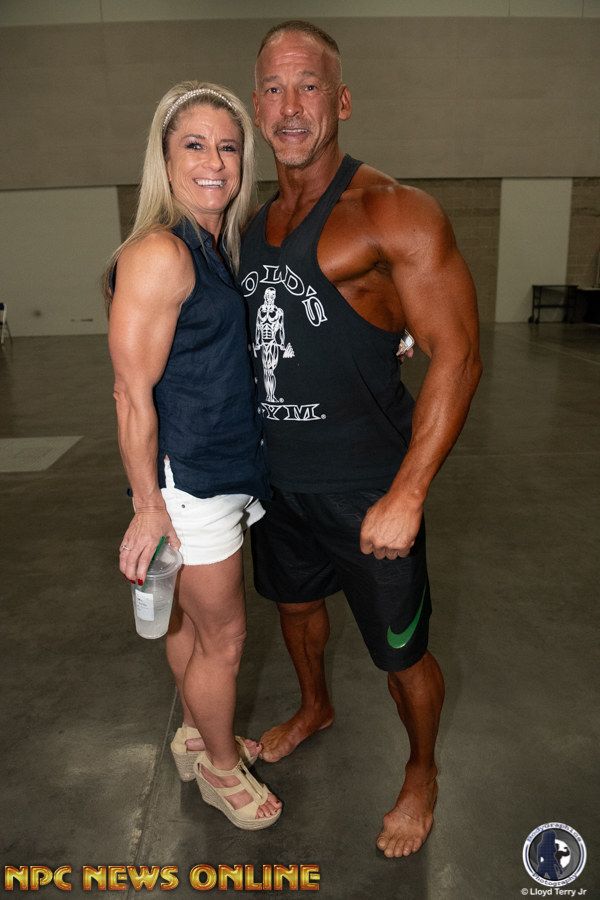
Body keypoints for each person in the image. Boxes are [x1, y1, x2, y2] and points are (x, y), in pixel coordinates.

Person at [240, 21, 482, 856]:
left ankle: (421, 770)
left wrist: (408, 493)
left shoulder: (392, 212)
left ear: (340, 101)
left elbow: (457, 353)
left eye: (308, 86)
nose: (291, 106)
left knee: (403, 657)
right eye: (275, 88)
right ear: (257, 106)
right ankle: (315, 706)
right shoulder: (249, 224)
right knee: (296, 610)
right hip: (276, 485)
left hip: (368, 490)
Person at [105, 81, 282, 830]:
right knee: (225, 637)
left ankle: (196, 734)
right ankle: (219, 767)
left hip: (216, 468)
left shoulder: (212, 246)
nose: (215, 162)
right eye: (195, 145)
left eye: (229, 147)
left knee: (186, 624)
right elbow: (129, 391)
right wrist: (150, 505)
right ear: (166, 158)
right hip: (191, 482)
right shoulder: (160, 252)